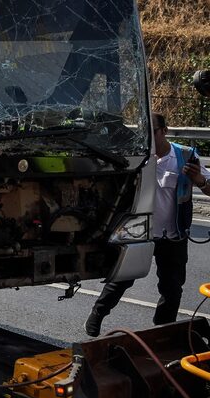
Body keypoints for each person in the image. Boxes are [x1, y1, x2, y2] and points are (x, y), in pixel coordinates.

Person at [86, 113, 210, 336]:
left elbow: (207, 185)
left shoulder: (185, 155)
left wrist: (199, 180)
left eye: (152, 132)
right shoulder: (137, 154)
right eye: (144, 132)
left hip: (173, 234)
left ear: (165, 130)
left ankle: (162, 331)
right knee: (122, 279)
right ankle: (98, 313)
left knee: (172, 288)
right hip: (140, 231)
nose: (148, 138)